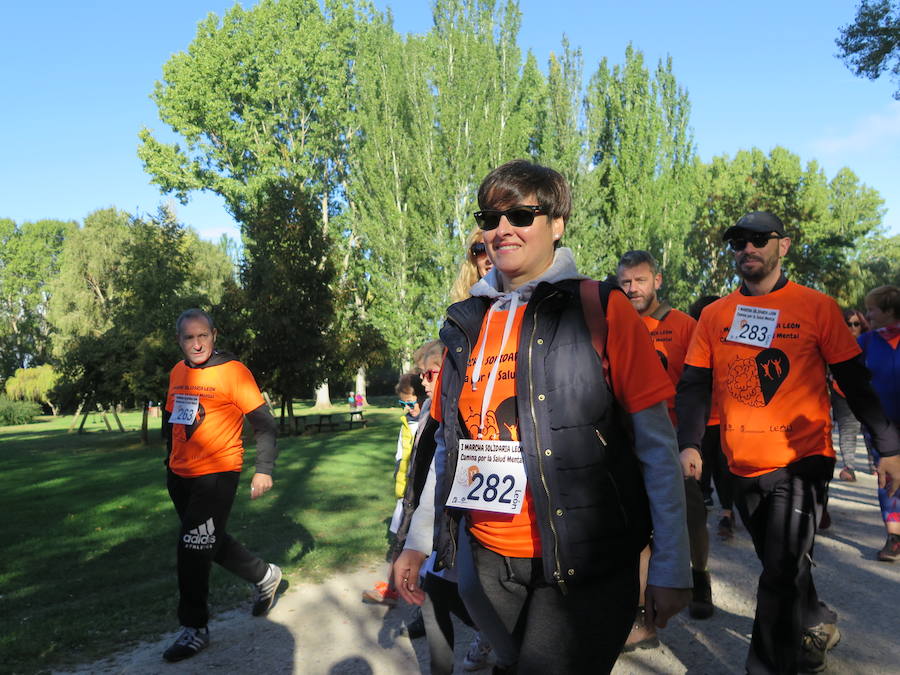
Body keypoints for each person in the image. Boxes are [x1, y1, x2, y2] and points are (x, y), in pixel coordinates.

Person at [394, 160, 690, 673]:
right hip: (487, 562)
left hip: (583, 564)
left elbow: (655, 445)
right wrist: (420, 540)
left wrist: (670, 562)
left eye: (521, 215)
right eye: (490, 216)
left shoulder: (601, 308)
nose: (502, 228)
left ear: (557, 224)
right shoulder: (466, 322)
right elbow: (447, 445)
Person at [675, 211, 900, 674]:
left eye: (759, 239)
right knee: (784, 563)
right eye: (738, 241)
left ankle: (768, 665)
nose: (747, 248)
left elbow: (855, 381)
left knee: (777, 572)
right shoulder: (717, 315)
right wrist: (690, 443)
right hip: (740, 464)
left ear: (784, 246)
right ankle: (815, 619)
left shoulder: (816, 307)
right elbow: (695, 384)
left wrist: (889, 446)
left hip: (802, 461)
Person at [162, 309, 281, 662]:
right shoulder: (177, 372)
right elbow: (173, 420)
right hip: (179, 474)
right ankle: (265, 576)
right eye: (188, 337)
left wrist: (264, 469)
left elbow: (265, 424)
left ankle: (194, 628)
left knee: (191, 548)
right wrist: (168, 459)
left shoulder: (233, 372)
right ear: (179, 341)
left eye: (202, 336)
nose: (196, 344)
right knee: (206, 539)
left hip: (217, 472)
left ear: (214, 335)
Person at [616, 250, 713, 655]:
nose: (632, 288)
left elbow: (699, 385)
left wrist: (693, 443)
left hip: (674, 440)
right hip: (627, 442)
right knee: (637, 526)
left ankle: (699, 574)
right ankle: (641, 615)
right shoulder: (614, 325)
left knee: (688, 516)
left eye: (639, 280)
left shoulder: (684, 326)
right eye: (625, 282)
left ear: (657, 281)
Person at [362, 372, 427, 605]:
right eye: (403, 404)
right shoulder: (406, 424)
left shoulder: (428, 424)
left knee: (409, 546)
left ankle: (400, 591)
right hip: (404, 495)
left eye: (411, 403)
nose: (408, 408)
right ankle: (394, 588)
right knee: (400, 542)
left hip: (421, 497)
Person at [687, 294, 739, 540]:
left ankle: (727, 514)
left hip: (724, 420)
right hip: (699, 421)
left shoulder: (730, 339)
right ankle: (703, 518)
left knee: (723, 471)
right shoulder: (693, 341)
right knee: (702, 473)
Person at [859, 285, 900, 562]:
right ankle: (894, 536)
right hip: (882, 425)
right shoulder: (866, 342)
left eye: (872, 309)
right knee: (887, 477)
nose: (867, 314)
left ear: (888, 310)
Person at [829, 309, 872, 482]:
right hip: (841, 392)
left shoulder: (869, 343)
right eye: (848, 324)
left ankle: (875, 464)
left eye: (856, 324)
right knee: (848, 429)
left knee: (871, 428)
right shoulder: (833, 344)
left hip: (868, 393)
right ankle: (849, 467)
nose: (852, 327)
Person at [450, 228, 494, 304]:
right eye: (480, 249)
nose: (489, 259)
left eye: (496, 248)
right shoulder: (460, 312)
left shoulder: (521, 304)